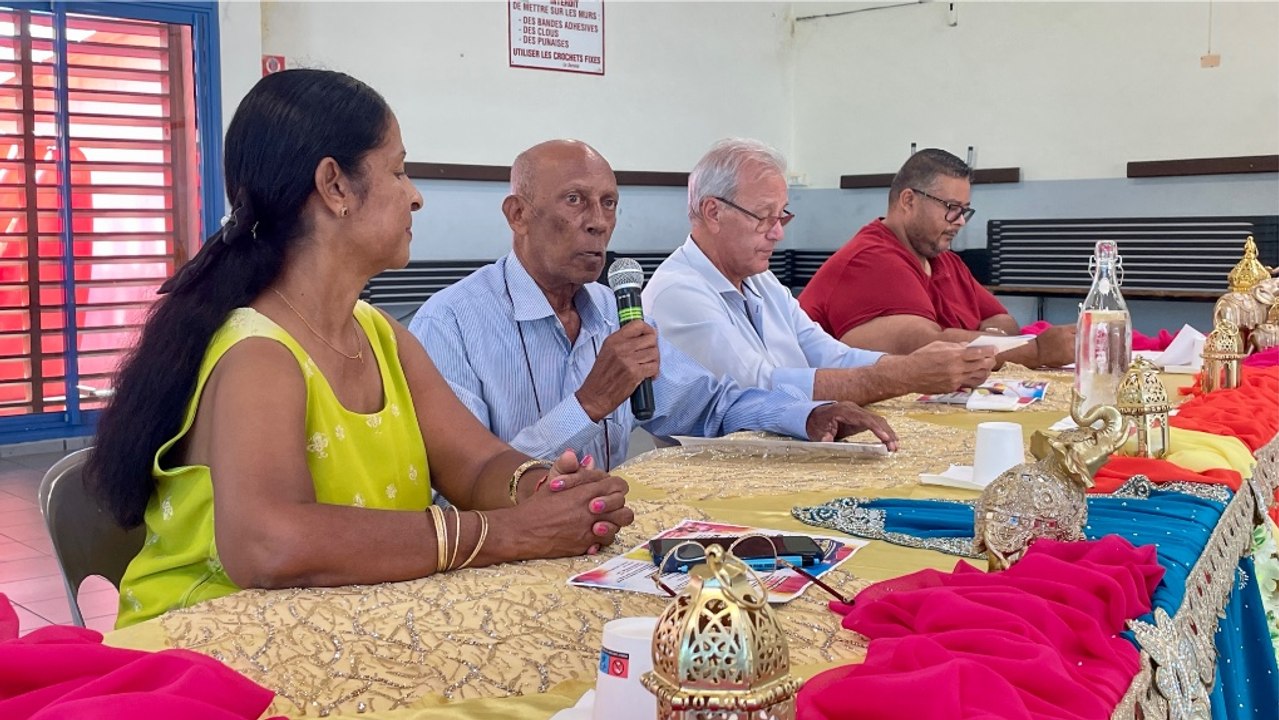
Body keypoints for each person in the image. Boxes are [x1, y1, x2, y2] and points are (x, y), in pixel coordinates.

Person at [87, 70, 633, 629]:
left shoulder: (380, 335)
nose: (415, 195)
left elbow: (478, 465)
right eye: (397, 170)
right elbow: (270, 544)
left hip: (339, 629)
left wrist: (544, 490)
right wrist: (503, 533)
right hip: (212, 652)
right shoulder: (258, 354)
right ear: (336, 187)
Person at [408, 140, 897, 470]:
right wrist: (589, 404)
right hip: (510, 560)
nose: (599, 222)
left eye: (610, 203)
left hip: (605, 537)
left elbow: (708, 403)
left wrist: (807, 416)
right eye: (576, 201)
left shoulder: (611, 309)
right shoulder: (451, 324)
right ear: (518, 215)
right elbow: (468, 484)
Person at [643, 138, 995, 403]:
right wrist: (904, 375)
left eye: (782, 215)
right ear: (713, 212)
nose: (778, 231)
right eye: (764, 216)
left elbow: (828, 353)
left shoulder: (760, 281)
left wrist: (907, 365)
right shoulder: (679, 291)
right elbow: (758, 387)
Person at [798, 148, 1075, 367]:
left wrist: (990, 340)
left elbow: (1002, 319)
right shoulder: (872, 259)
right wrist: (1034, 351)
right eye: (952, 208)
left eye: (964, 210)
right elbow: (925, 346)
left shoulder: (945, 261)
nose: (960, 222)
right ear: (908, 201)